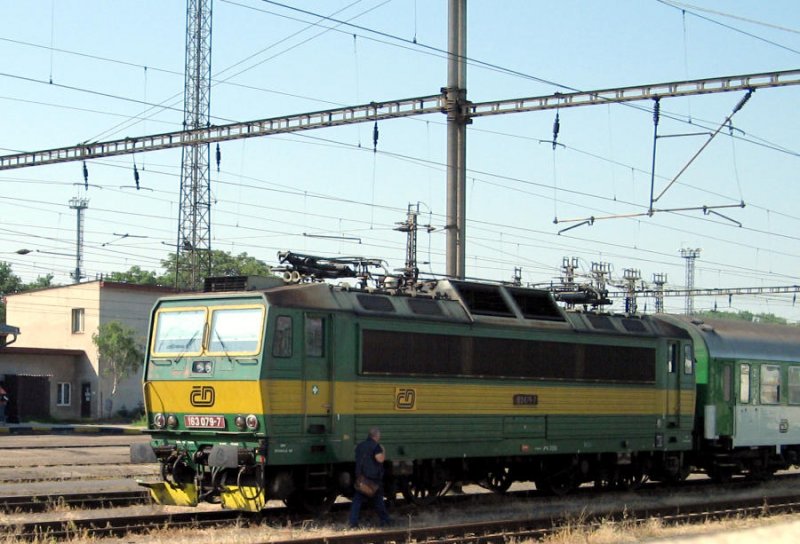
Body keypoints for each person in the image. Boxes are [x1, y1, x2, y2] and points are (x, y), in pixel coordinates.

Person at [349, 427, 392, 528]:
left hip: (361, 478)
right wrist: (384, 451)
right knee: (378, 499)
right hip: (373, 479)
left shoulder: (360, 446)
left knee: (357, 500)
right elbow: (380, 459)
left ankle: (353, 522)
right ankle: (385, 520)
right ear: (376, 436)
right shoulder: (376, 446)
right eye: (379, 436)